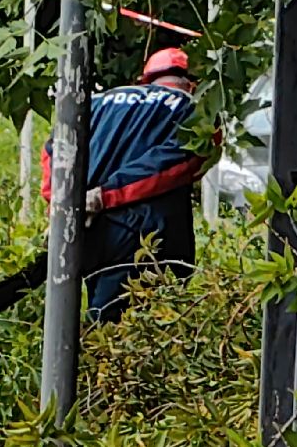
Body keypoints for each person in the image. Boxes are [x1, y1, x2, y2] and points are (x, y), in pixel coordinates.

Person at [43, 48, 209, 324]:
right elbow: (180, 161)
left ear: (144, 80)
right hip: (145, 233)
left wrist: (63, 202)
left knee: (96, 314)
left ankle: (84, 362)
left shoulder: (97, 102)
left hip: (88, 228)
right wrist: (106, 195)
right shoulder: (196, 110)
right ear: (193, 83)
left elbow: (54, 150)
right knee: (131, 326)